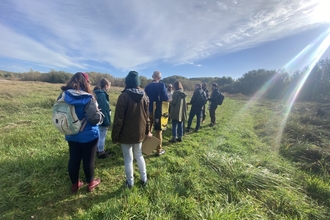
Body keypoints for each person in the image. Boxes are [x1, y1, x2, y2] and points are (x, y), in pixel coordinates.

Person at [60, 72, 104, 193]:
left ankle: (75, 185)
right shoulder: (87, 98)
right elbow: (94, 119)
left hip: (71, 132)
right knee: (88, 160)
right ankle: (91, 183)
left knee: (73, 159)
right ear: (86, 83)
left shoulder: (63, 95)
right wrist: (100, 114)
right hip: (89, 134)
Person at [112, 71, 152, 188]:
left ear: (127, 83)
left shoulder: (123, 96)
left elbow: (118, 119)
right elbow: (147, 117)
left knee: (128, 158)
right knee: (139, 155)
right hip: (139, 133)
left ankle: (130, 183)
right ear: (138, 83)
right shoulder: (145, 97)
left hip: (125, 134)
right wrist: (147, 131)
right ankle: (144, 179)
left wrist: (115, 137)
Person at [144, 71, 169, 156]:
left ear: (152, 77)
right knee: (158, 131)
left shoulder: (147, 87)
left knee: (148, 130)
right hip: (158, 111)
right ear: (159, 78)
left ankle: (146, 149)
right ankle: (159, 150)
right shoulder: (161, 85)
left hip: (148, 110)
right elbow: (165, 98)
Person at [93, 78, 112, 159]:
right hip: (102, 118)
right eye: (109, 86)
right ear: (106, 85)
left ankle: (97, 149)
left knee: (98, 135)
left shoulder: (95, 93)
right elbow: (104, 109)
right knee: (102, 135)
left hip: (95, 118)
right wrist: (106, 122)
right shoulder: (102, 95)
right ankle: (101, 152)